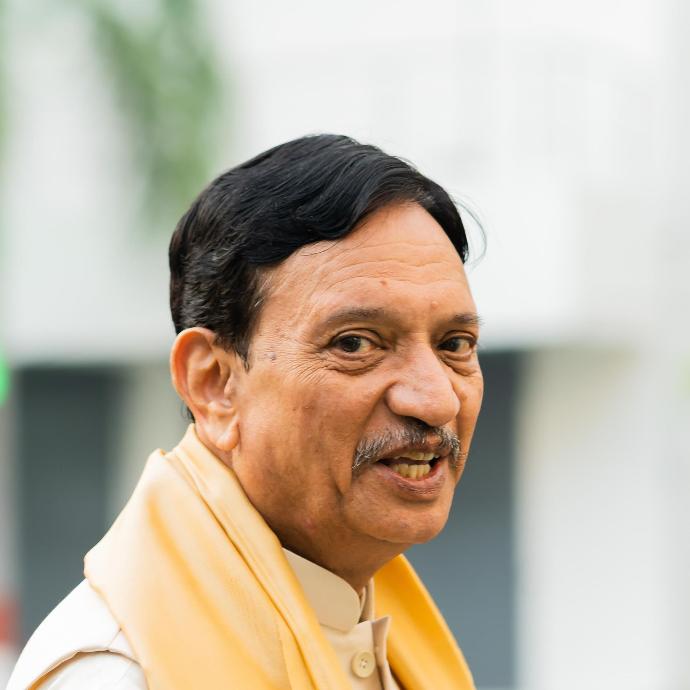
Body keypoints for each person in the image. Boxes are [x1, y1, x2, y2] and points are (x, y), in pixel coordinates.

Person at [8, 134, 484, 690]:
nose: (436, 400)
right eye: (355, 344)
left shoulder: (372, 627)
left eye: (454, 345)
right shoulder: (119, 673)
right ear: (214, 384)